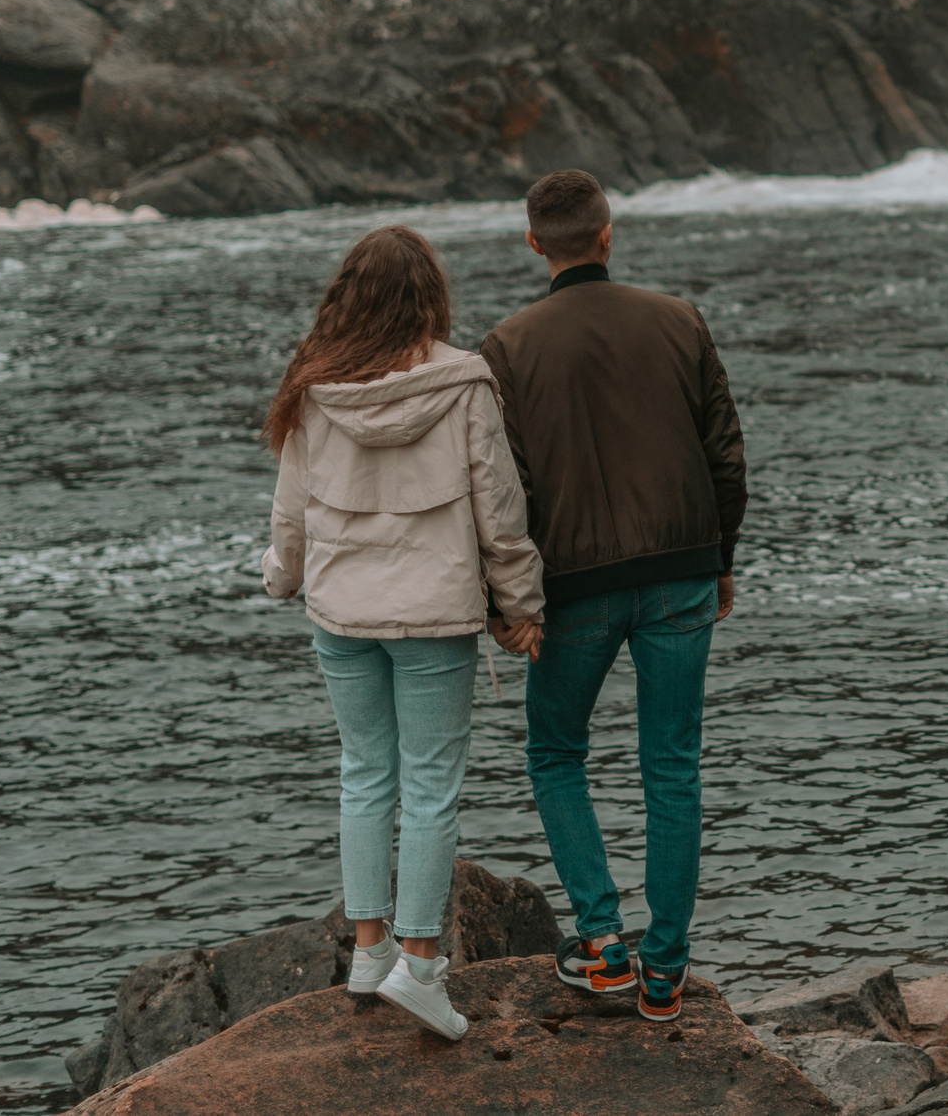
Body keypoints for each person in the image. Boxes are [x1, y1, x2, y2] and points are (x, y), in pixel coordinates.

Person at [261, 225, 545, 1041]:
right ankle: (420, 969)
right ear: (430, 297)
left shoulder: (314, 387)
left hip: (342, 613)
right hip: (431, 615)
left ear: (346, 297)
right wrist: (521, 605)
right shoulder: (464, 382)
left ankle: (368, 947)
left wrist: (283, 577)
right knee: (428, 788)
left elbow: (291, 513)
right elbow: (501, 509)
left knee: (364, 775)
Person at [480, 169, 747, 1023]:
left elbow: (504, 491)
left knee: (556, 753)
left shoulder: (507, 346)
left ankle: (601, 945)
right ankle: (665, 970)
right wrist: (722, 560)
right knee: (673, 765)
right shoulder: (679, 319)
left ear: (534, 243)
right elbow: (726, 456)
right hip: (680, 572)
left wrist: (508, 603)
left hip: (574, 589)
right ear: (607, 232)